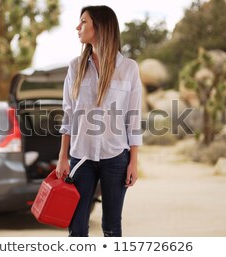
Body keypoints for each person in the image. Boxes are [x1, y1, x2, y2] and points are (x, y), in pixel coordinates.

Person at [56, 5, 143, 237]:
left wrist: (133, 162)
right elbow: (68, 114)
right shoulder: (75, 67)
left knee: (112, 227)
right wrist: (63, 157)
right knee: (77, 228)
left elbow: (133, 118)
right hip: (80, 157)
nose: (78, 27)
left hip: (115, 157)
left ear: (100, 27)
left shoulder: (128, 69)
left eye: (83, 21)